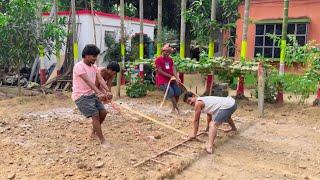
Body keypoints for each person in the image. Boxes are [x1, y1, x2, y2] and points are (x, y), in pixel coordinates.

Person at [72, 44, 112, 148]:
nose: (96, 58)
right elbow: (89, 82)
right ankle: (102, 140)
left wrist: (107, 91)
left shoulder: (94, 67)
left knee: (103, 112)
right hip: (81, 96)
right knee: (95, 115)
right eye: (94, 56)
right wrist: (99, 93)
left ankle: (94, 132)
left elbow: (100, 79)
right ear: (86, 55)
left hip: (91, 94)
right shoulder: (79, 66)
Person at [155, 44, 182, 114]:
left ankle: (174, 108)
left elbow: (173, 69)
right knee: (171, 92)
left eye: (169, 52)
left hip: (172, 78)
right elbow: (160, 71)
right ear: (162, 51)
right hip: (163, 79)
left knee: (178, 91)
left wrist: (177, 77)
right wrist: (170, 76)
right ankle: (178, 109)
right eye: (166, 52)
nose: (167, 54)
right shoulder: (158, 59)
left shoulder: (170, 59)